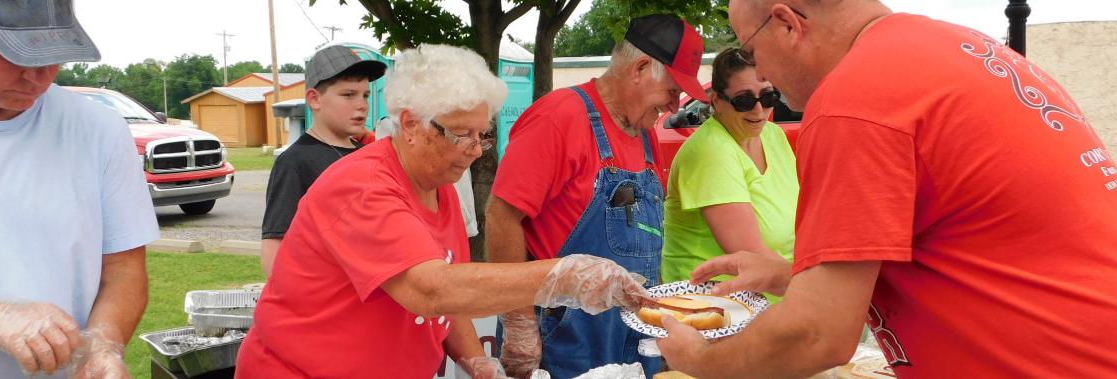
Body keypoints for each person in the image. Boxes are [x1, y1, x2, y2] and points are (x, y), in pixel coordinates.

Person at [658, 1, 1117, 378]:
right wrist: (785, 273)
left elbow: (817, 335)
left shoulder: (855, 99)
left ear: (787, 23)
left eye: (752, 51)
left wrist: (699, 360)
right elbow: (966, 244)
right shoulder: (952, 44)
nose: (761, 74)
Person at [235, 44, 652, 379]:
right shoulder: (362, 187)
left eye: (482, 135)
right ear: (411, 124)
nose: (473, 150)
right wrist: (560, 275)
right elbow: (431, 290)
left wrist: (477, 363)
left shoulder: (439, 186)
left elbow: (450, 298)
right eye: (459, 135)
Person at [486, 14, 709, 379]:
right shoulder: (559, 117)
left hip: (635, 339)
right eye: (672, 90)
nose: (673, 106)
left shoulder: (645, 135)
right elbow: (501, 216)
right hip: (566, 342)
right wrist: (518, 322)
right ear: (640, 68)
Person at [0, 0, 159, 377]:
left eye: (54, 55)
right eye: (18, 56)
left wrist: (104, 344)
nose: (40, 77)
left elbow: (123, 269)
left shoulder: (99, 130)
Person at [661, 47, 797, 300]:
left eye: (768, 97)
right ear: (717, 102)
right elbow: (752, 258)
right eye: (744, 101)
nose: (758, 111)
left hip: (770, 297)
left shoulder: (774, 135)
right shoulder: (710, 150)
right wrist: (822, 287)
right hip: (716, 304)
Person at [259, 45, 387, 277]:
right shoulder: (294, 162)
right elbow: (274, 248)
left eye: (365, 95)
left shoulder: (369, 155)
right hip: (324, 300)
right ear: (315, 99)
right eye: (348, 95)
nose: (362, 104)